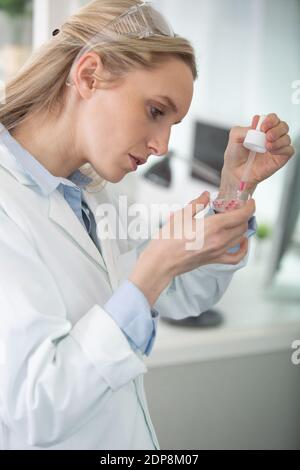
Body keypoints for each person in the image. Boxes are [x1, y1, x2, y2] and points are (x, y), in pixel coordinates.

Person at [0, 0, 294, 450]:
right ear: (88, 75)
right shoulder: (8, 204)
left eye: (173, 123)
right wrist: (151, 272)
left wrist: (235, 190)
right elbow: (34, 407)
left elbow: (182, 290)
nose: (161, 145)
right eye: (156, 111)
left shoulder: (90, 193)